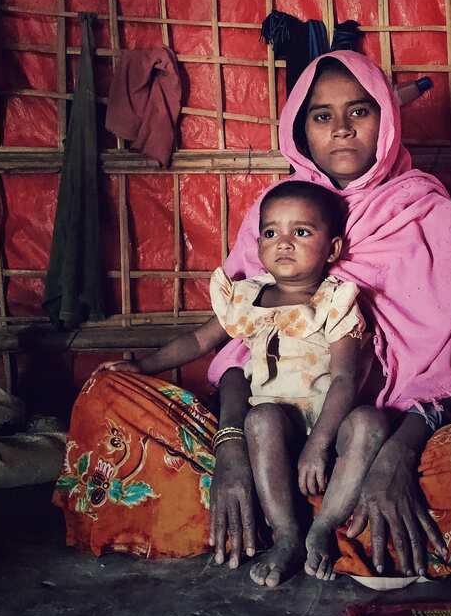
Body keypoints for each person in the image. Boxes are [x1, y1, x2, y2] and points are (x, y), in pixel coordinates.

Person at [55, 51, 451, 588]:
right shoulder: (276, 212)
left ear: (387, 118)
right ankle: (295, 521)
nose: (341, 129)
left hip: (377, 437)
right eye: (321, 115)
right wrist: (230, 445)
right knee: (108, 393)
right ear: (300, 129)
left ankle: (317, 520)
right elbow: (236, 351)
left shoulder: (427, 216)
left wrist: (394, 459)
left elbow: (436, 380)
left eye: (360, 111)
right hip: (267, 430)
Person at [92, 180, 383, 585]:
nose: (284, 243)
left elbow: (346, 378)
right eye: (271, 233)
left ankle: (322, 528)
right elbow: (198, 341)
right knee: (260, 417)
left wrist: (320, 442)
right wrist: (143, 366)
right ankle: (287, 535)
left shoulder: (335, 303)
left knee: (371, 421)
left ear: (332, 249)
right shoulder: (247, 298)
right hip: (273, 433)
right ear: (258, 245)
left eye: (301, 232)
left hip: (329, 427)